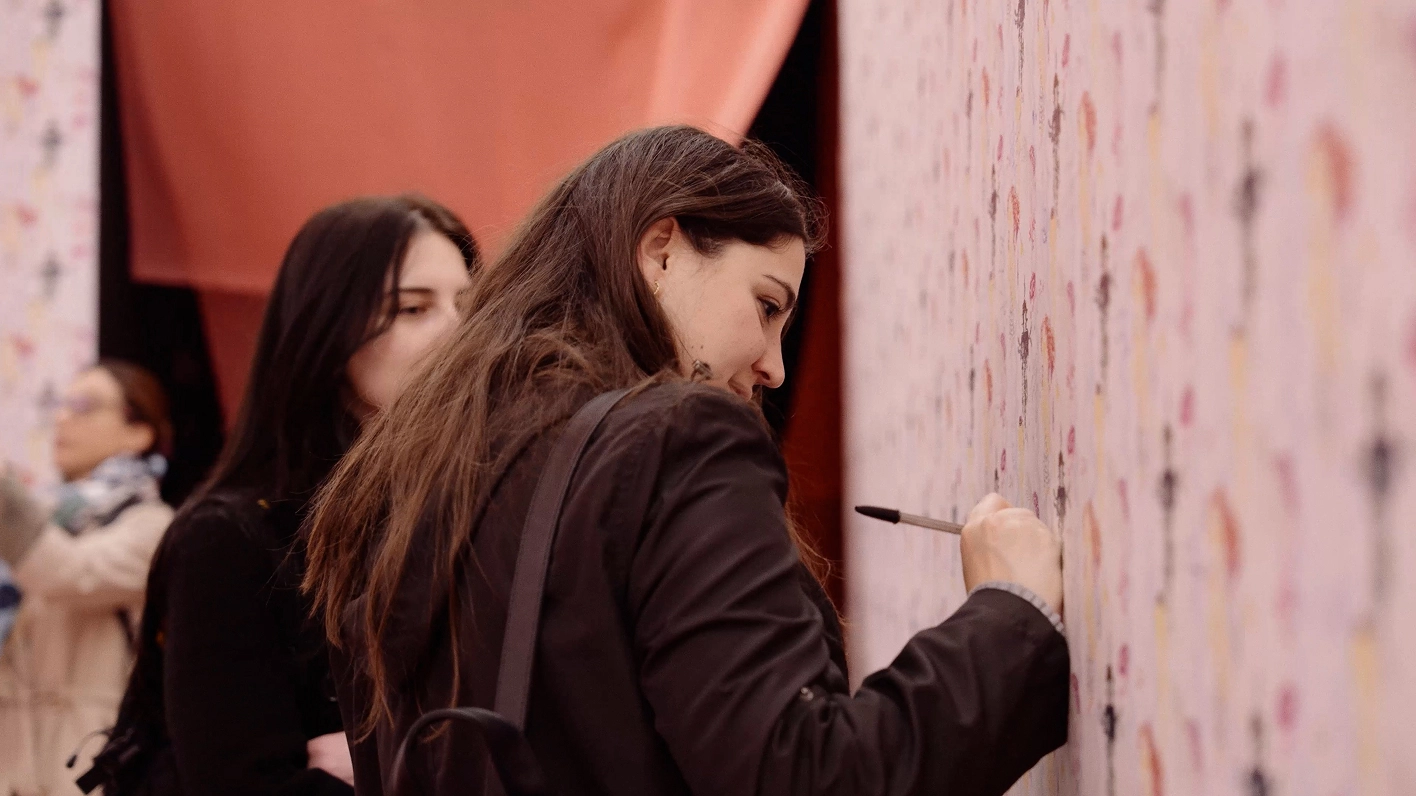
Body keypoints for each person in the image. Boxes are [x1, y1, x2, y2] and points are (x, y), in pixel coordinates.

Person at [304, 126, 1068, 796]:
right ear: (661, 250)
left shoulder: (396, 479)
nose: (773, 367)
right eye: (767, 306)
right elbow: (811, 775)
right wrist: (1009, 612)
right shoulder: (677, 440)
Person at [110, 195, 480, 796]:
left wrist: (386, 755)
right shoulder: (229, 539)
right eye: (413, 308)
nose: (459, 332)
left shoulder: (477, 507)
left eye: (468, 304)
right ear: (328, 335)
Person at [0, 360, 175, 796]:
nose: (62, 418)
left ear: (139, 433)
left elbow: (68, 573)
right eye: (60, 405)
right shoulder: (41, 517)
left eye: (84, 406)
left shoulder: (153, 525)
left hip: (89, 770)